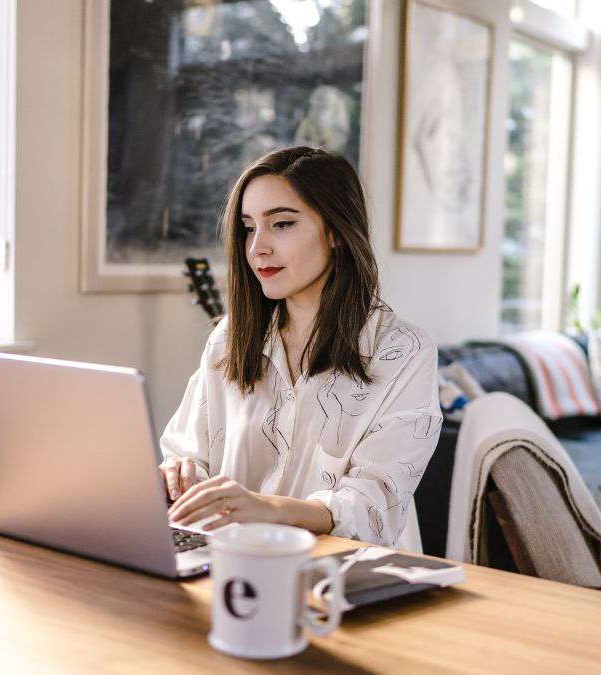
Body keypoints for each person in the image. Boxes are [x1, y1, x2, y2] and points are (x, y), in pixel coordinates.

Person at [161, 146, 441, 551]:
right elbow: (187, 454)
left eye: (282, 224)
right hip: (229, 568)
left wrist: (267, 509)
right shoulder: (229, 338)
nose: (258, 248)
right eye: (248, 227)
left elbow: (373, 507)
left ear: (335, 231)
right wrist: (180, 474)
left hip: (351, 580)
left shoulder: (405, 352)